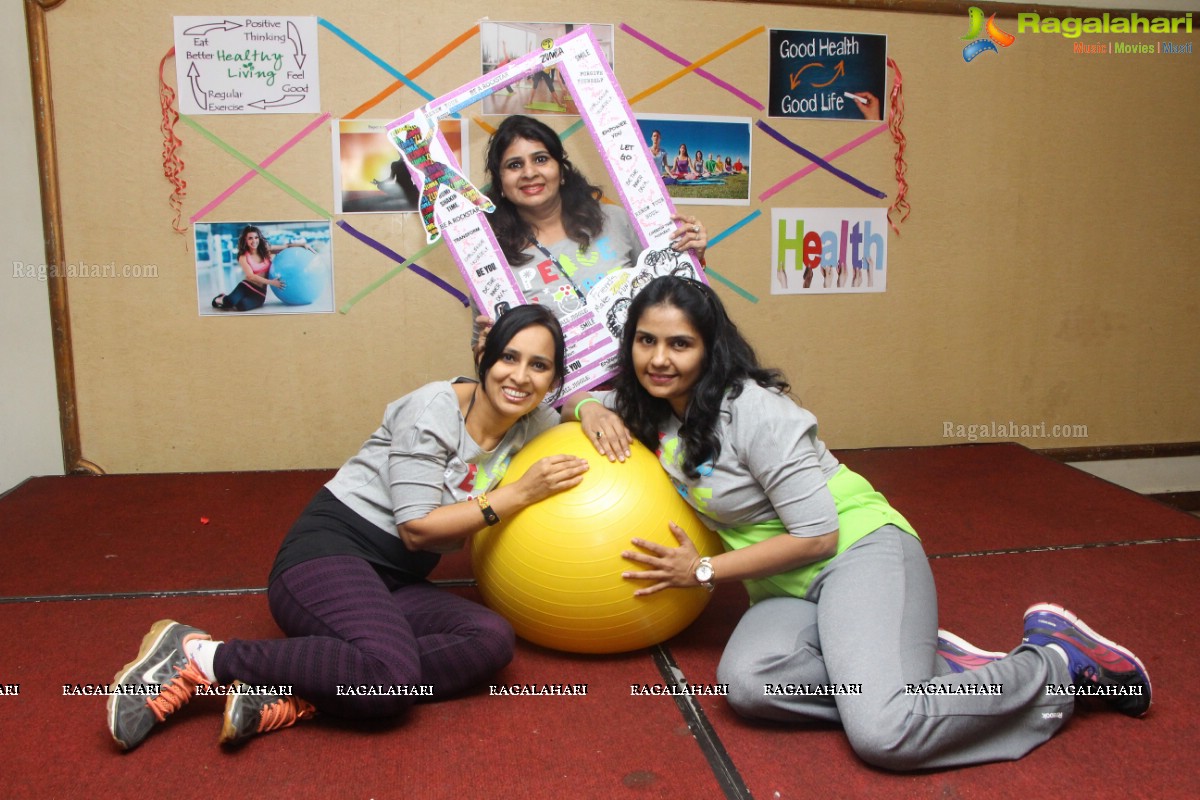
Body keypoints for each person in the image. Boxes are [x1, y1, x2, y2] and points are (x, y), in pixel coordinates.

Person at [574, 275, 1152, 771]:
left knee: (884, 732)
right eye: (646, 341)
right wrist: (590, 406)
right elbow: (565, 402)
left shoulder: (758, 412)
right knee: (748, 686)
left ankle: (1055, 666)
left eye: (680, 344)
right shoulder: (655, 410)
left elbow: (817, 536)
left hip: (856, 552)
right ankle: (921, 671)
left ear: (710, 350)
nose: (658, 359)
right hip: (785, 588)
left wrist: (701, 571)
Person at [108, 305, 590, 751]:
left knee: (489, 638)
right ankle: (200, 657)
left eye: (539, 366)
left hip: (396, 580)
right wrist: (519, 493)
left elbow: (579, 408)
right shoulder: (433, 409)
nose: (520, 377)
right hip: (328, 556)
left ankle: (301, 691)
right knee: (388, 678)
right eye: (509, 357)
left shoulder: (531, 420)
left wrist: (592, 408)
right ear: (484, 355)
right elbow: (417, 528)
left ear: (553, 379)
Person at [474, 115, 707, 347]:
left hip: (644, 378)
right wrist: (487, 348)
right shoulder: (489, 258)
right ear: (500, 183)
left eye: (541, 159)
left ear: (561, 171)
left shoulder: (615, 220)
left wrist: (691, 255)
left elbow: (675, 295)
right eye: (514, 165)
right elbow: (483, 348)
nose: (529, 172)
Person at [211, 226, 310, 311]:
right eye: (250, 238)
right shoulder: (243, 257)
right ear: (245, 240)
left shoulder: (266, 250)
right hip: (246, 286)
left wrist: (302, 245)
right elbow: (250, 276)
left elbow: (286, 246)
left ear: (259, 238)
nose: (254, 241)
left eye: (256, 237)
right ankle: (221, 298)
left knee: (242, 306)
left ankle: (234, 299)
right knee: (230, 302)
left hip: (259, 292)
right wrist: (272, 282)